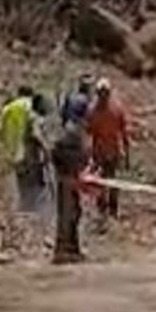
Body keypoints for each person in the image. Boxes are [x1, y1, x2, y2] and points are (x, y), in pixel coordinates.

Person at [50, 99, 90, 264]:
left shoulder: (73, 132)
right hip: (69, 179)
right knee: (68, 215)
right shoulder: (73, 134)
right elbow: (62, 154)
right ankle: (65, 249)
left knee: (73, 213)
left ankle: (71, 248)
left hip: (69, 178)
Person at [85, 78, 130, 219]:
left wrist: (127, 153)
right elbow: (89, 133)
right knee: (104, 181)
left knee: (111, 181)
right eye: (101, 93)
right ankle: (105, 209)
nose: (103, 96)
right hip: (102, 151)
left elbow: (124, 132)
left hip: (108, 150)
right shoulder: (98, 110)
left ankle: (110, 209)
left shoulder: (97, 110)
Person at [0, 86, 39, 211]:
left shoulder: (7, 108)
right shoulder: (28, 105)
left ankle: (16, 206)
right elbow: (34, 130)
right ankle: (29, 207)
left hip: (8, 150)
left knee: (15, 179)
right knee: (29, 180)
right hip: (25, 149)